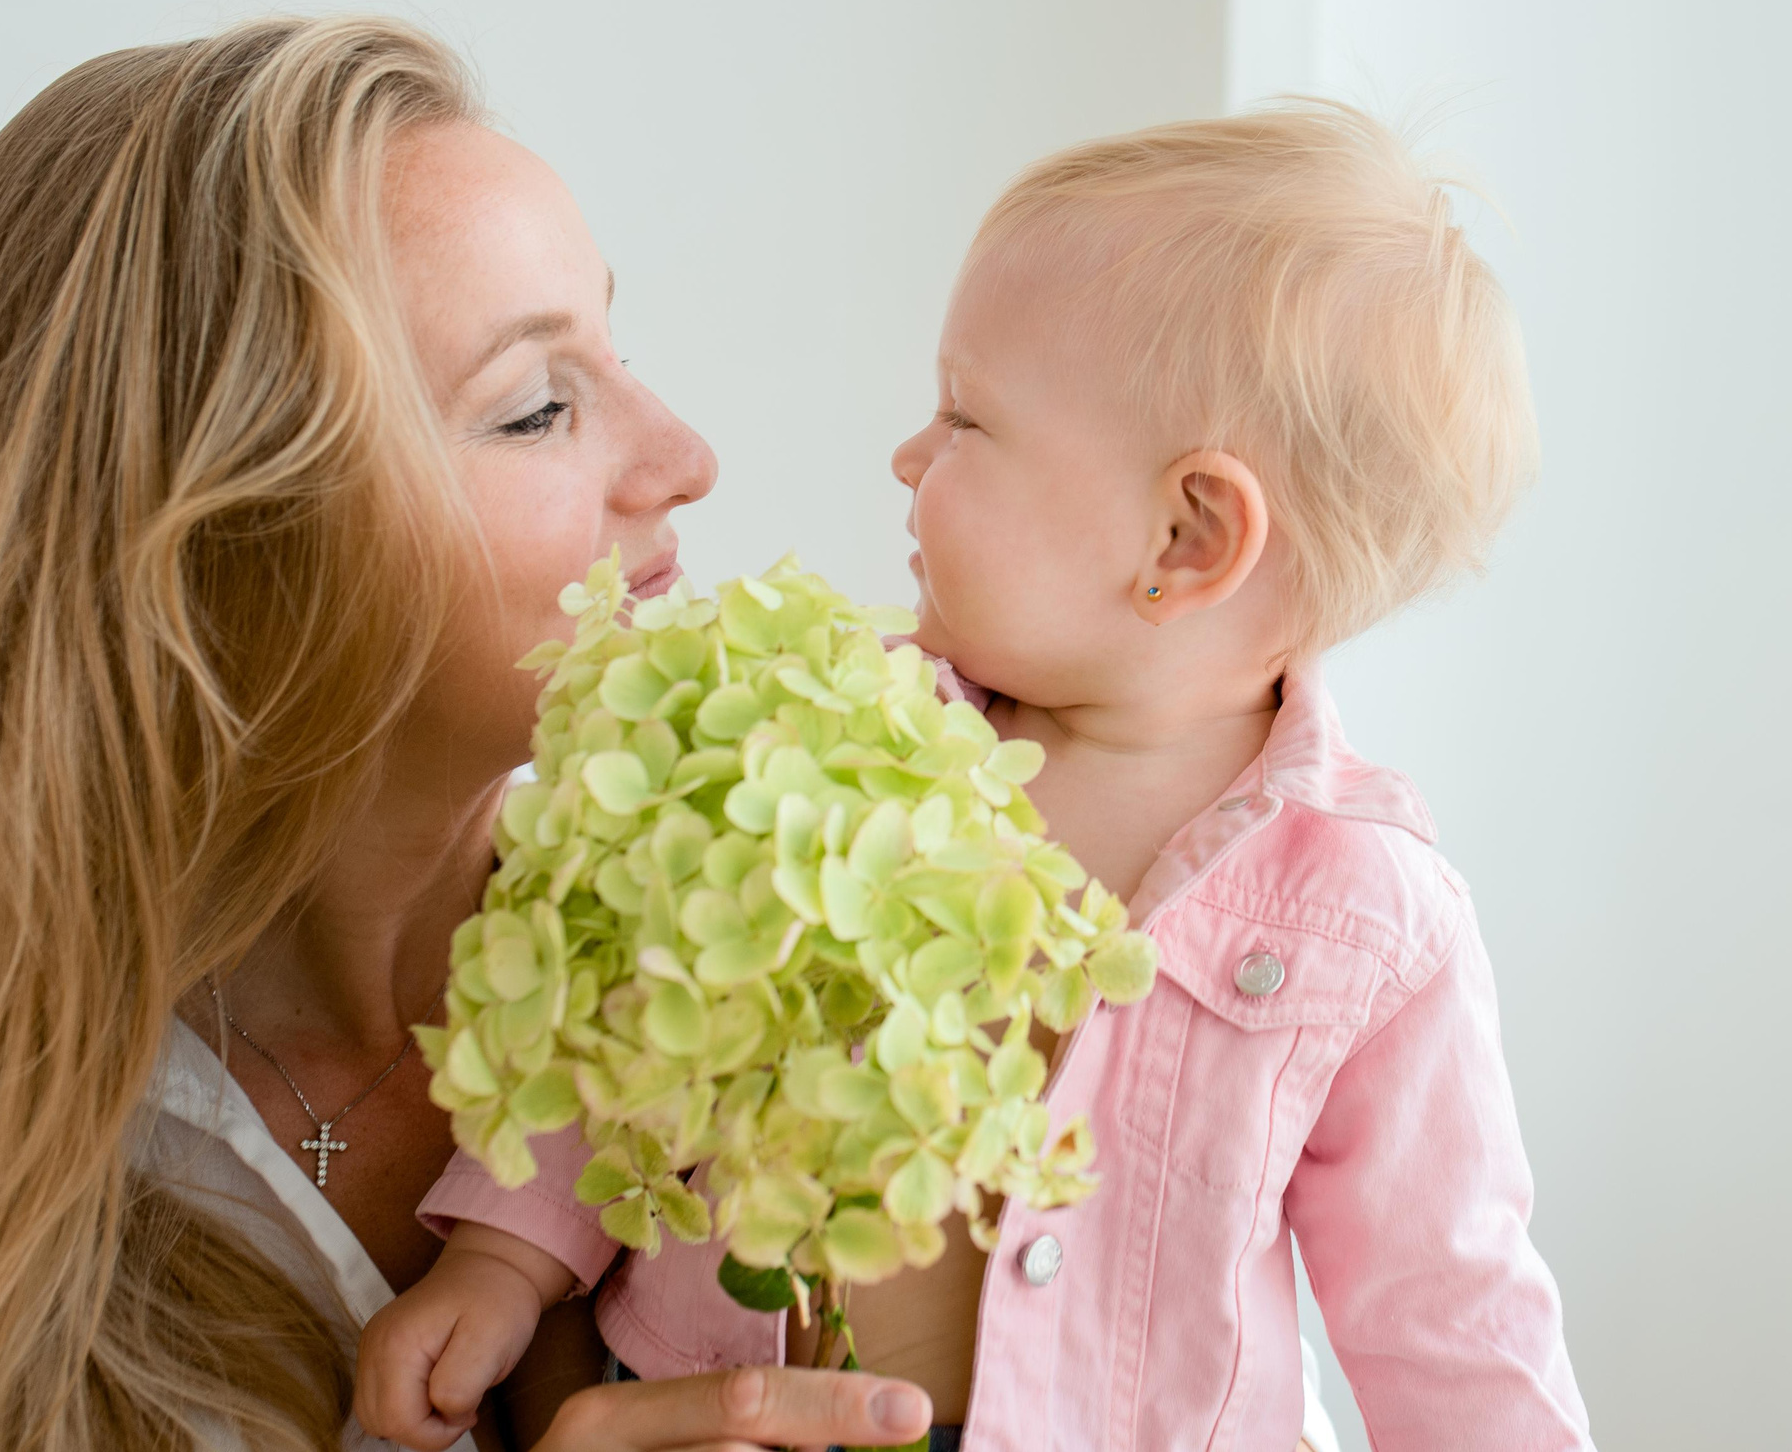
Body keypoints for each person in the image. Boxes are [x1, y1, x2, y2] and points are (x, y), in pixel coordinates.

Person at [360, 104, 1594, 1448]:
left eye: (963, 418)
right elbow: (639, 1026)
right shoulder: (838, 734)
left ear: (1185, 535)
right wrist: (501, 1265)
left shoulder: (1369, 917)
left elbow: (1453, 1319)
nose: (907, 456)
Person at [0, 15, 933, 1452]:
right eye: (536, 410)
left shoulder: (805, 989)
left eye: (617, 349)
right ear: (228, 550)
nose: (685, 458)